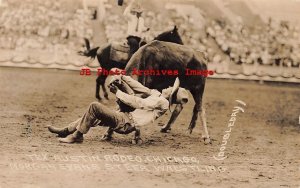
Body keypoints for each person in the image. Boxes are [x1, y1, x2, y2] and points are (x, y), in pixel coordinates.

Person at [48, 75, 189, 144]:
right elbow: (141, 88)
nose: (169, 87)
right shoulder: (158, 96)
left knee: (94, 107)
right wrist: (124, 77)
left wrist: (118, 93)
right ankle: (67, 131)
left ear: (171, 94)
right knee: (92, 116)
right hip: (125, 118)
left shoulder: (162, 101)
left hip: (126, 122)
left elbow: (139, 102)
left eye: (172, 88)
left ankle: (77, 136)